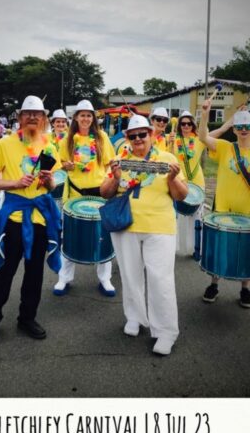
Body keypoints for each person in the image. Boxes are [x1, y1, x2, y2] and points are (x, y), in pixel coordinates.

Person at [100, 114, 185, 355]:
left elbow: (181, 195)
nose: (138, 139)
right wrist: (116, 178)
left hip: (160, 226)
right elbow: (105, 192)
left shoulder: (167, 158)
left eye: (142, 134)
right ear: (127, 137)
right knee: (129, 276)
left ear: (151, 134)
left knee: (161, 279)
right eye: (133, 135)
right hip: (126, 225)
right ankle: (134, 317)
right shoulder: (119, 160)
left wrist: (171, 178)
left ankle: (166, 331)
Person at [0, 96, 61, 343]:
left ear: (44, 119)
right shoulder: (4, 144)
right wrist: (14, 183)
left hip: (40, 218)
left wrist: (49, 181)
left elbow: (53, 185)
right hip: (13, 217)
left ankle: (27, 318)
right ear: (19, 116)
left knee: (34, 273)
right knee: (6, 272)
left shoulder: (50, 146)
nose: (32, 118)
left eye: (37, 114)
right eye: (27, 114)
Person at [53, 100, 116, 296]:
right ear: (76, 117)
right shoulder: (68, 139)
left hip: (99, 191)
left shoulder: (102, 137)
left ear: (93, 118)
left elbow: (110, 163)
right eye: (82, 115)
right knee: (70, 234)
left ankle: (105, 279)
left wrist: (109, 182)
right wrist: (66, 166)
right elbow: (59, 163)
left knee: (103, 236)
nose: (86, 118)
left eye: (89, 115)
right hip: (75, 192)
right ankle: (64, 278)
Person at [199, 106, 250, 307]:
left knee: (247, 250)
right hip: (222, 209)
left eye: (247, 126)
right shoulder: (225, 147)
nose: (244, 129)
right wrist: (207, 115)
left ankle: (245, 289)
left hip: (247, 211)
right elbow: (203, 137)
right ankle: (213, 285)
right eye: (240, 126)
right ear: (235, 129)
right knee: (219, 248)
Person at [170, 108, 206, 257]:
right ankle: (172, 248)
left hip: (197, 183)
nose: (186, 126)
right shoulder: (172, 138)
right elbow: (153, 136)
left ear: (193, 125)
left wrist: (233, 120)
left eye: (189, 124)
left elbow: (218, 132)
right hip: (179, 182)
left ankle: (197, 249)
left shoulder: (199, 139)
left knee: (197, 217)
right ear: (179, 125)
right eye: (183, 124)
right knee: (175, 216)